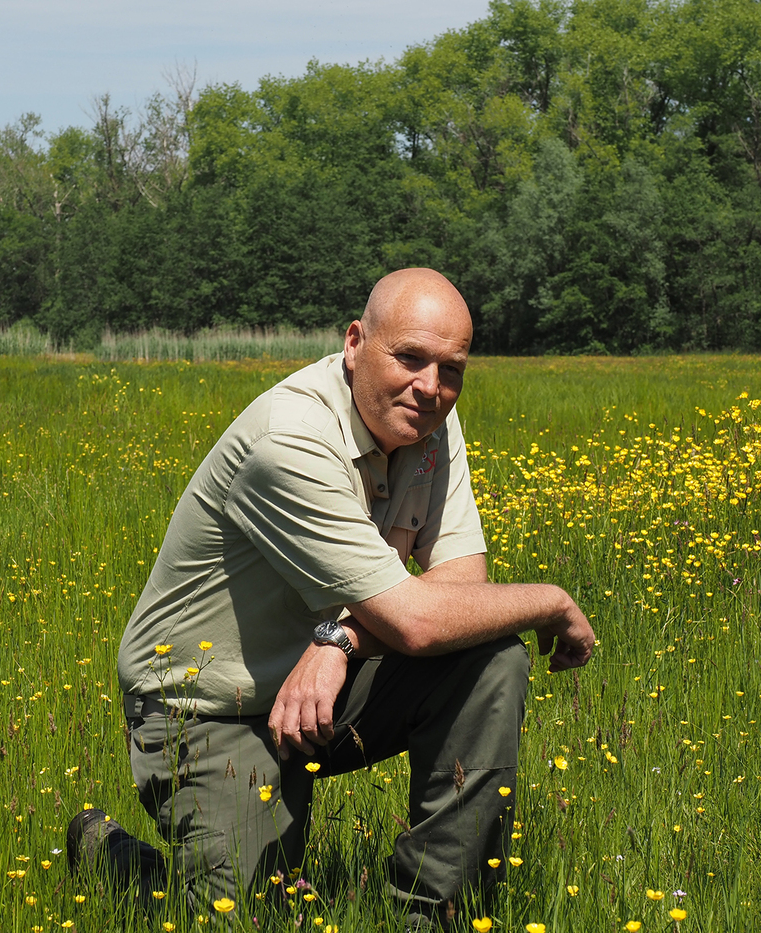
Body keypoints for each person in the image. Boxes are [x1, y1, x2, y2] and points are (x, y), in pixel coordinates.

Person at [69, 268, 594, 928]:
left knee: (491, 659)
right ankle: (113, 858)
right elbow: (416, 621)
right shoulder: (289, 439)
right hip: (207, 705)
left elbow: (462, 583)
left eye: (451, 369)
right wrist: (553, 599)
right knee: (251, 917)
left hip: (323, 682)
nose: (430, 386)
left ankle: (434, 915)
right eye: (409, 357)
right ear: (354, 342)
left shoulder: (426, 419)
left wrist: (340, 641)